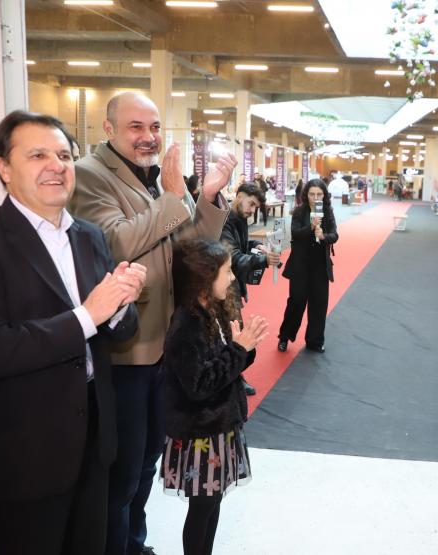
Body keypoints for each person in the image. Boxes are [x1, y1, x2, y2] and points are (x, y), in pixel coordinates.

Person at [0, 110, 145, 555]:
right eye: (37, 155)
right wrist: (88, 316)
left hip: (93, 442)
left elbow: (116, 329)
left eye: (64, 154)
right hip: (25, 456)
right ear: (3, 168)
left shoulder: (89, 236)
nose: (57, 165)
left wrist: (121, 304)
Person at [71, 91, 234, 555]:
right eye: (136, 127)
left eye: (155, 127)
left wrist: (202, 199)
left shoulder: (148, 180)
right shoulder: (89, 176)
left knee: (146, 465)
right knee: (122, 472)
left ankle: (134, 544)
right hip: (128, 351)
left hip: (165, 347)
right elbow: (116, 244)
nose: (148, 137)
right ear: (108, 129)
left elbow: (187, 253)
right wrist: (170, 195)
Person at [161, 239, 267, 555]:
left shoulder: (215, 311)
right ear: (205, 278)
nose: (233, 278)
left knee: (213, 502)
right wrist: (238, 349)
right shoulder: (186, 324)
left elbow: (229, 366)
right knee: (202, 507)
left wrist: (243, 348)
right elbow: (200, 384)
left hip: (220, 427)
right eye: (227, 272)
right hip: (200, 435)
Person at [221, 183, 281, 396]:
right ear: (238, 196)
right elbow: (233, 257)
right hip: (221, 288)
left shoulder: (238, 219)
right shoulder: (225, 219)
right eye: (251, 204)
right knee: (231, 335)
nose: (252, 210)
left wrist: (256, 246)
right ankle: (232, 378)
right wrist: (263, 260)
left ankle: (234, 376)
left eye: (255, 207)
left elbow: (241, 245)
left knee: (232, 334)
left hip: (230, 285)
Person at [277, 179, 338, 354]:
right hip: (300, 264)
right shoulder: (299, 211)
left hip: (320, 265)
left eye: (319, 194)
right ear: (306, 194)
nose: (315, 197)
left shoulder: (327, 211)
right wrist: (310, 228)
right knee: (296, 302)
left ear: (324, 195)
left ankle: (315, 341)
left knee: (319, 304)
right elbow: (295, 234)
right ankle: (284, 337)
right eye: (312, 194)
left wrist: (324, 236)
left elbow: (335, 234)